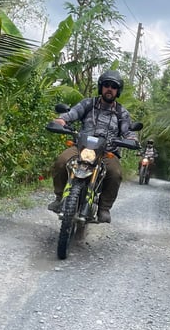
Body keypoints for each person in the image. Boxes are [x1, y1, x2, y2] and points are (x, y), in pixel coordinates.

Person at [47, 70, 138, 223]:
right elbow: (72, 113)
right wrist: (62, 120)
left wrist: (131, 139)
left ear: (118, 91)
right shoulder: (88, 104)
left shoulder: (121, 113)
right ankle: (59, 197)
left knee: (115, 173)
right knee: (62, 161)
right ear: (101, 87)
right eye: (106, 85)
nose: (109, 89)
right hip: (81, 148)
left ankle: (104, 208)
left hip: (107, 151)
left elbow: (128, 131)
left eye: (114, 87)